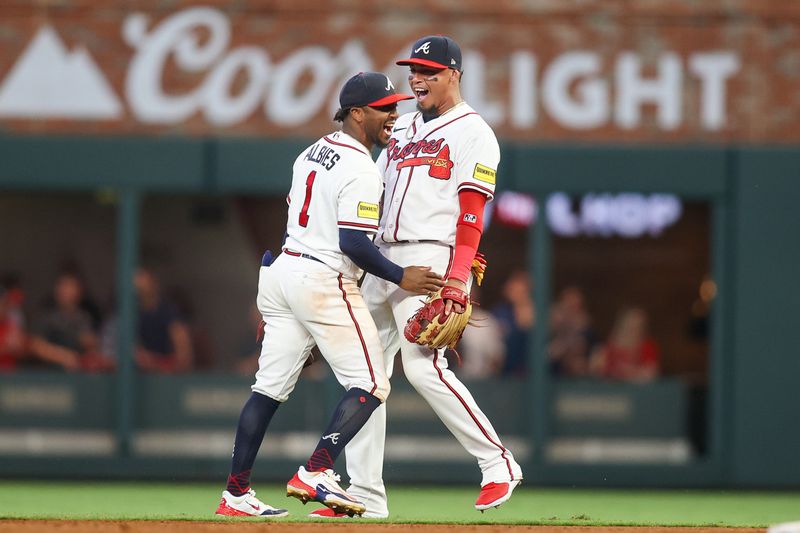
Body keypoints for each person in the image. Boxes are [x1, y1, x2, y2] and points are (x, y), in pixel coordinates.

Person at [310, 36, 523, 519]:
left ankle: (498, 463)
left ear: (454, 75)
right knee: (366, 378)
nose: (417, 79)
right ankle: (364, 494)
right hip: (382, 259)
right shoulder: (401, 128)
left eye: (429, 71)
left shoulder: (475, 133)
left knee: (426, 368)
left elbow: (472, 213)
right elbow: (368, 192)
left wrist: (458, 276)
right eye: (413, 71)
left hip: (432, 261)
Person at [214, 72, 443, 519]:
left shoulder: (311, 151)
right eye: (384, 108)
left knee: (267, 391)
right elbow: (353, 244)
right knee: (374, 382)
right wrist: (402, 277)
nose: (394, 115)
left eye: (395, 106)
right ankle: (317, 469)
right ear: (357, 113)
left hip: (283, 271)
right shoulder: (361, 167)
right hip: (320, 277)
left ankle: (236, 493)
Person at [28, 272, 111, 371]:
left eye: (70, 287)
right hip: (51, 374)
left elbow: (88, 341)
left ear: (79, 292)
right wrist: (63, 357)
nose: (65, 291)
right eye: (62, 286)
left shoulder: (83, 317)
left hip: (76, 375)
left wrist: (92, 349)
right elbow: (35, 346)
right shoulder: (46, 317)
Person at [134, 268, 193, 373]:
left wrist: (156, 363)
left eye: (143, 281)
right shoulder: (132, 315)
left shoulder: (169, 312)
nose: (139, 288)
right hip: (142, 377)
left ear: (154, 284)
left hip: (167, 376)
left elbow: (184, 356)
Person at [591, 306, 660, 382]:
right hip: (612, 388)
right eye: (630, 324)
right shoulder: (608, 346)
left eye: (638, 325)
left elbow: (650, 373)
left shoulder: (647, 346)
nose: (633, 329)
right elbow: (597, 370)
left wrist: (630, 372)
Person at [492, 270, 535, 377]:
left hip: (532, 369)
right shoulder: (500, 312)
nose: (515, 292)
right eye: (512, 289)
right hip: (506, 369)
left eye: (520, 290)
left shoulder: (538, 312)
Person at [548, 286, 595, 377]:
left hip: (575, 375)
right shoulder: (555, 319)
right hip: (553, 373)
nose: (571, 306)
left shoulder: (585, 326)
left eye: (575, 303)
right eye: (568, 301)